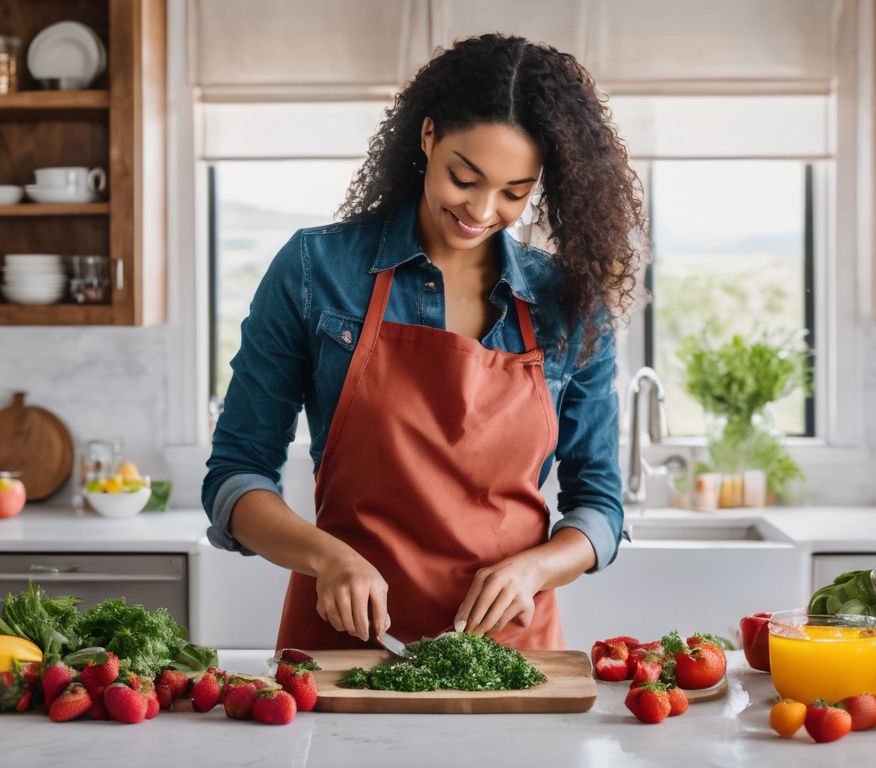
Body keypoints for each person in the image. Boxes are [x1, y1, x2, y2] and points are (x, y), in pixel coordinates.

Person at [202, 33, 644, 651]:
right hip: (343, 649)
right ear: (429, 136)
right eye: (465, 177)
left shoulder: (568, 307)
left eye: (516, 193)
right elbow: (235, 477)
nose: (482, 210)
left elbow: (599, 505)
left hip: (508, 659)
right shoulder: (315, 270)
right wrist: (326, 557)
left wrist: (535, 568)